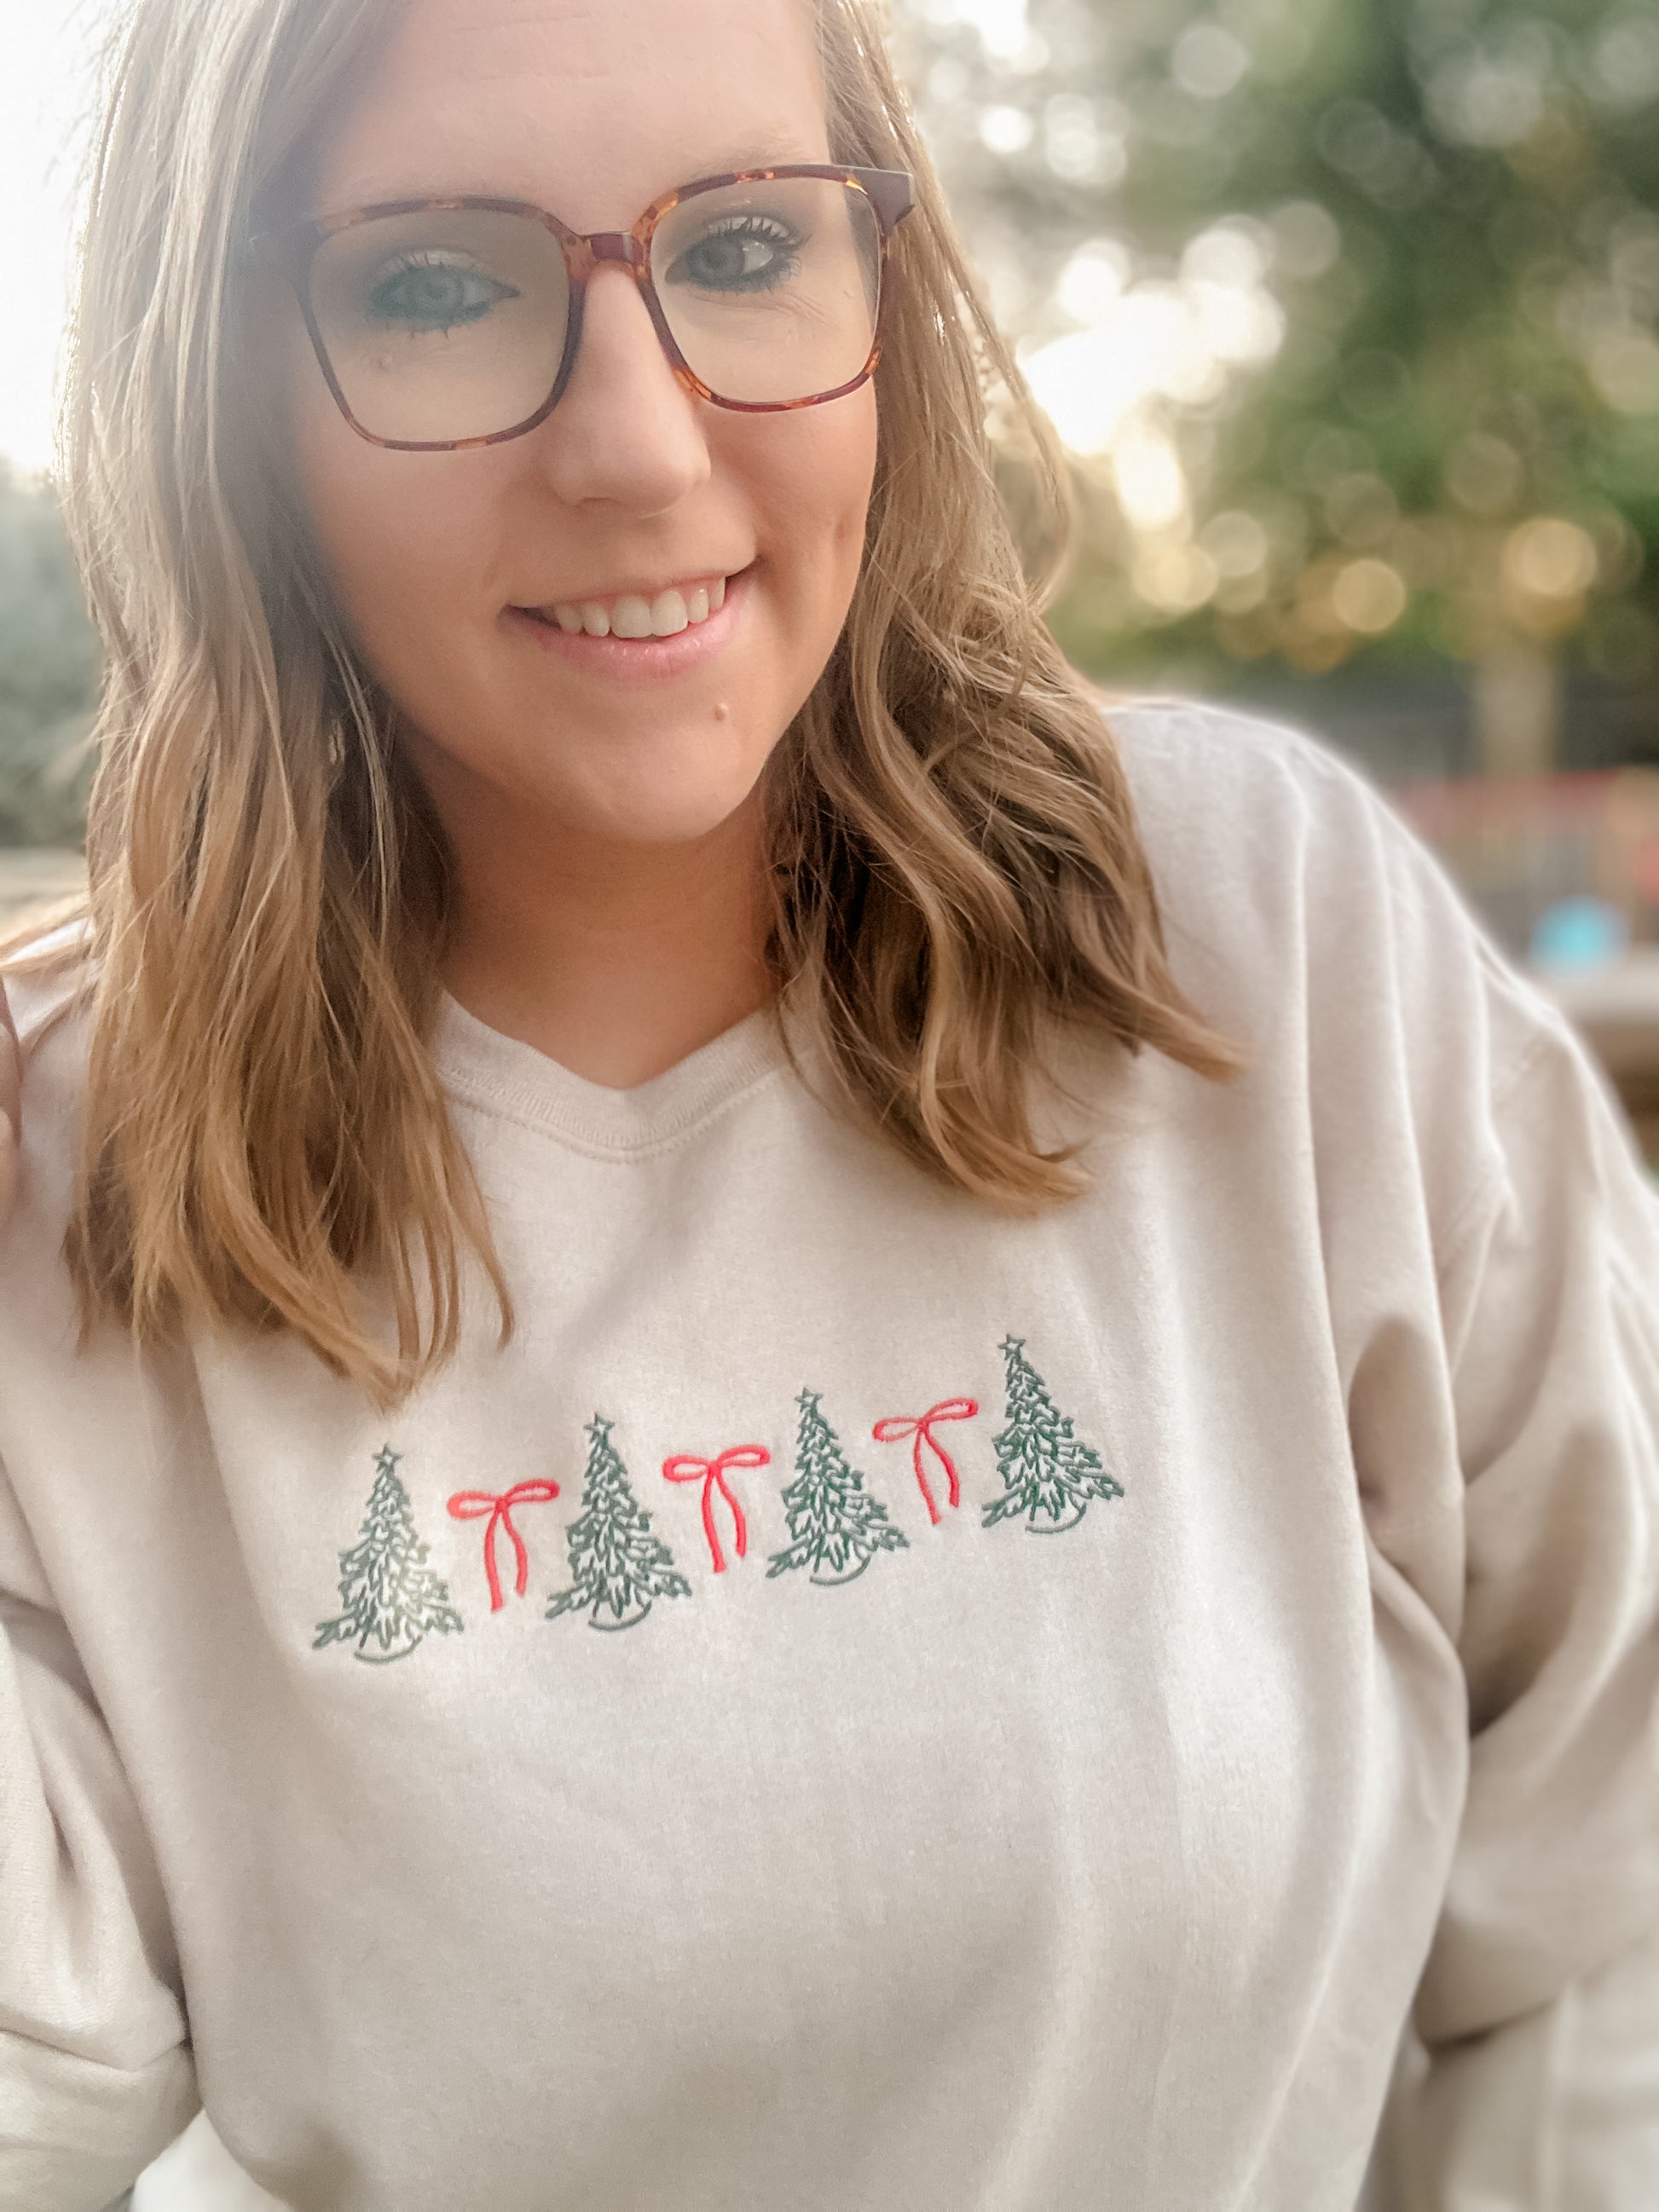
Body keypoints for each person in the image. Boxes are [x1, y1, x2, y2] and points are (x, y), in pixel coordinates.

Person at [1, 0, 1656, 2206]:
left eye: (743, 247)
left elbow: (1612, 1891)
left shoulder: (1265, 942)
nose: (637, 446)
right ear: (216, 393)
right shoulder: (60, 1187)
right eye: (437, 283)